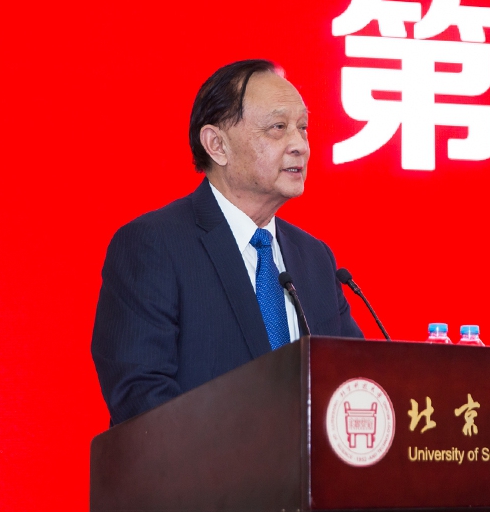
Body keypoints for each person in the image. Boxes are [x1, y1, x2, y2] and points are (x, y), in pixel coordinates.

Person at [91, 59, 363, 425]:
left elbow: (356, 381)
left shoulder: (315, 258)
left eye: (302, 128)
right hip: (198, 463)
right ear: (217, 145)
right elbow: (141, 396)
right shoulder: (154, 246)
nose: (300, 145)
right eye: (278, 128)